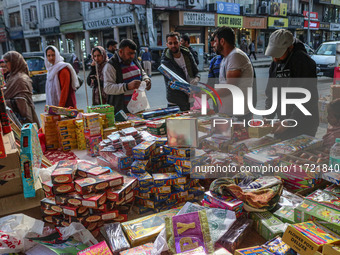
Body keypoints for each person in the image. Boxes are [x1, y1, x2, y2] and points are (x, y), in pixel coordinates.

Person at [264, 29, 319, 140]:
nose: (275, 59)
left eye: (279, 54)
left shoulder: (304, 62)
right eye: (273, 55)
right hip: (283, 118)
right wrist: (267, 116)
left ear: (290, 48)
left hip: (304, 122)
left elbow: (306, 99)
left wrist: (288, 122)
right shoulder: (275, 63)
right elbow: (271, 92)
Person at [213, 26, 254, 120]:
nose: (213, 45)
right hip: (229, 114)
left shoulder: (235, 55)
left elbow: (230, 87)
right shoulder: (226, 57)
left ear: (222, 41)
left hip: (239, 116)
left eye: (215, 41)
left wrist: (207, 94)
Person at [103, 39, 151, 113]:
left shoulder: (134, 60)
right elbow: (107, 88)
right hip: (122, 109)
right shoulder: (111, 65)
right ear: (121, 52)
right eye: (129, 53)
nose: (132, 56)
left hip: (139, 106)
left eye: (134, 53)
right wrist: (127, 86)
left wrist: (146, 79)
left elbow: (142, 72)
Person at [161, 32, 200, 111]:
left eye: (175, 43)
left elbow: (197, 72)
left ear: (179, 42)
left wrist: (196, 79)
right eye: (170, 43)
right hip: (174, 101)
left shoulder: (188, 54)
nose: (173, 45)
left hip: (190, 99)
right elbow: (172, 81)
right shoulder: (165, 60)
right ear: (167, 45)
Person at [2, 51, 39, 126]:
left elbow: (22, 103)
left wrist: (5, 102)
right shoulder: (12, 76)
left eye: (6, 61)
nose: (5, 64)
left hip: (22, 121)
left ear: (14, 62)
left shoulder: (20, 79)